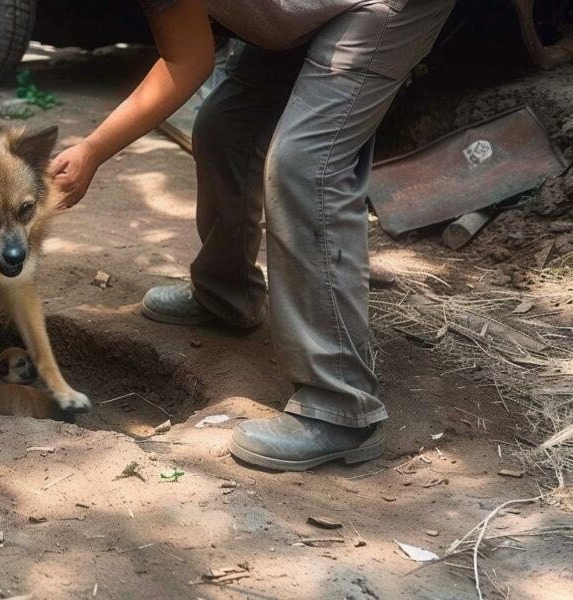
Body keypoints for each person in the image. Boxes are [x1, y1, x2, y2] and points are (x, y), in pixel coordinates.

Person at [48, 0, 455, 471]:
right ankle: (228, 294)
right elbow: (189, 59)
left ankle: (342, 409)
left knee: (305, 166)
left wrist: (93, 150)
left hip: (380, 6)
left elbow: (184, 62)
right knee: (225, 126)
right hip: (298, 13)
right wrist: (93, 150)